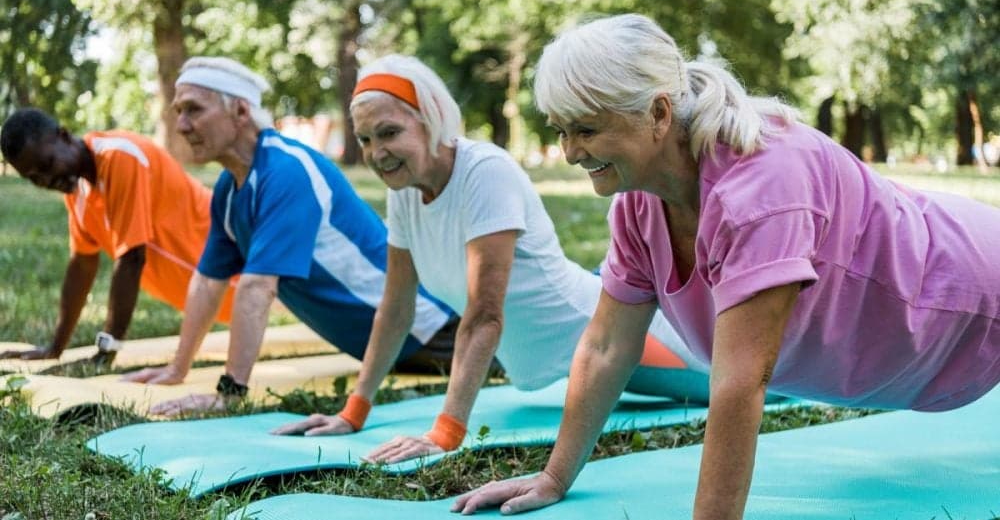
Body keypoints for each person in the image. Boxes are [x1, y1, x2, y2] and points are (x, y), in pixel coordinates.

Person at [452, 14, 1000, 518]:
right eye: (559, 131)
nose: (570, 152)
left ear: (658, 113)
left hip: (971, 300)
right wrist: (553, 476)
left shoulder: (762, 188)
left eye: (586, 130)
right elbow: (604, 347)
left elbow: (740, 381)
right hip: (916, 353)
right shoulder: (638, 206)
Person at [271, 54, 708, 463]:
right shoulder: (405, 191)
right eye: (365, 139)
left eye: (389, 133)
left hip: (597, 330)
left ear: (429, 122)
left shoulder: (484, 172)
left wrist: (445, 433)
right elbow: (396, 309)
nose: (376, 152)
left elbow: (484, 316)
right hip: (562, 356)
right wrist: (354, 411)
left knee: (742, 384)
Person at [123, 57, 458, 415]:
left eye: (193, 110)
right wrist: (177, 369)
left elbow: (257, 288)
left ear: (239, 110)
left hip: (433, 334)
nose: (182, 125)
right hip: (391, 348)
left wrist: (230, 392)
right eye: (178, 112)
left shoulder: (287, 171)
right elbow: (208, 283)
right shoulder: (231, 187)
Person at [0, 108, 235, 365]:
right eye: (34, 178)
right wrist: (54, 348)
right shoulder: (78, 192)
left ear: (64, 136)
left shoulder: (120, 156)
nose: (46, 180)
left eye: (47, 165)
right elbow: (82, 265)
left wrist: (106, 351)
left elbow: (132, 257)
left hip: (240, 262)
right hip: (213, 292)